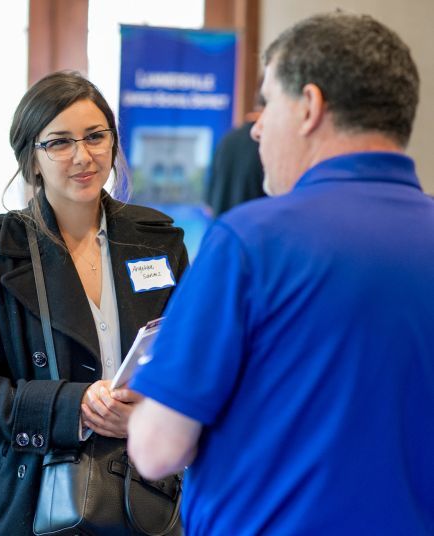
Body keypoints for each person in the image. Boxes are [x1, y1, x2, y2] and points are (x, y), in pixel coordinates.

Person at [127, 12, 434, 535]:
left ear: (310, 106)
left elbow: (157, 450)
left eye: (268, 102)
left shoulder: (250, 241)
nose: (258, 126)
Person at [0, 71, 189, 535]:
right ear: (32, 159)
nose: (83, 156)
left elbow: (193, 364)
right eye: (59, 142)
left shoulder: (159, 242)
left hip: (145, 491)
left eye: (96, 136)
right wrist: (73, 405)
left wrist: (148, 411)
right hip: (29, 495)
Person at [204, 90, 266, 216]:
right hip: (252, 231)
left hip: (221, 230)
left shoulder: (226, 140)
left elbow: (208, 207)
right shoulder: (265, 143)